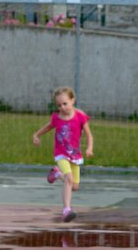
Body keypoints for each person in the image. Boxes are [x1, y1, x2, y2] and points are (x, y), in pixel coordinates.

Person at [29, 87, 93, 222]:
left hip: (75, 155)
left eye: (65, 103)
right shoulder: (57, 118)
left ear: (72, 100)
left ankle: (57, 174)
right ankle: (66, 210)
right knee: (69, 178)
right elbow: (48, 127)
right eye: (59, 105)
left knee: (74, 186)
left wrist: (89, 148)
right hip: (61, 154)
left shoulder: (80, 117)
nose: (62, 107)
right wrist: (36, 135)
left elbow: (89, 135)